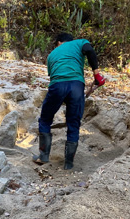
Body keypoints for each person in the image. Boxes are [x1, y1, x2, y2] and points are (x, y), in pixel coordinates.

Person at [33, 33, 106, 170]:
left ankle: (43, 156)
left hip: (58, 85)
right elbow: (89, 50)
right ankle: (68, 163)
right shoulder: (79, 43)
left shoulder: (51, 55)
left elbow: (56, 76)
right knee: (74, 123)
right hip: (77, 86)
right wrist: (96, 74)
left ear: (59, 42)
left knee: (45, 119)